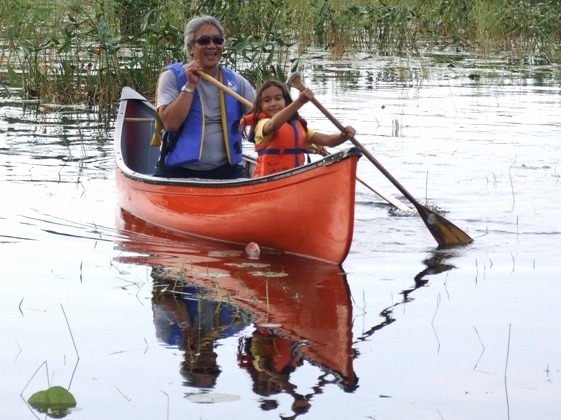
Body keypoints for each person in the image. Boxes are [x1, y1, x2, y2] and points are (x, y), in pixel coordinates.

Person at [156, 15, 255, 179]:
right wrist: (190, 85)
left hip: (226, 170)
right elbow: (170, 124)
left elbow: (263, 115)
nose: (212, 45)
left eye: (217, 40)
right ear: (190, 48)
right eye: (204, 41)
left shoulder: (236, 82)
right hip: (179, 171)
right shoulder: (172, 77)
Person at [241, 79, 356, 178]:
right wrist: (300, 101)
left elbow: (329, 140)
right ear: (260, 106)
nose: (273, 103)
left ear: (286, 101)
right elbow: (273, 125)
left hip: (293, 180)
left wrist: (344, 136)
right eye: (267, 100)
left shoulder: (298, 126)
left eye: (278, 98)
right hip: (267, 182)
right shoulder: (262, 124)